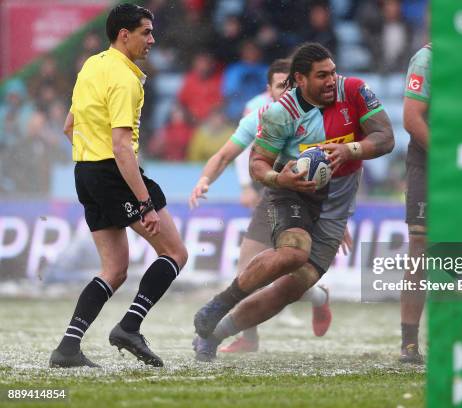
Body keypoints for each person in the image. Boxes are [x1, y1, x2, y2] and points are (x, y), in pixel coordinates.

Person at [192, 42, 394, 361]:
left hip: (335, 206)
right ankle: (220, 302)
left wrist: (350, 150)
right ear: (300, 79)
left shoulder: (354, 91)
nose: (331, 81)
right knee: (292, 253)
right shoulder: (280, 114)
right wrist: (279, 179)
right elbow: (257, 163)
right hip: (291, 191)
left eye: (333, 72)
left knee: (292, 288)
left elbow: (386, 138)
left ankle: (213, 335)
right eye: (322, 75)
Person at [49, 3, 188, 368]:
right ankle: (129, 326)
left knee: (114, 270)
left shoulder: (92, 66)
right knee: (175, 253)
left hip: (86, 172)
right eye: (146, 32)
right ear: (124, 35)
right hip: (114, 172)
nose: (152, 39)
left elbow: (69, 126)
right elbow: (122, 146)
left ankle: (67, 348)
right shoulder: (126, 79)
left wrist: (94, 165)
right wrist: (143, 203)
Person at [189, 58, 339, 354]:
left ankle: (319, 298)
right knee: (249, 269)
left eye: (290, 85)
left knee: (290, 277)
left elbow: (342, 166)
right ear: (268, 90)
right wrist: (204, 180)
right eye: (279, 86)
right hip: (274, 194)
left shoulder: (317, 114)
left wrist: (337, 215)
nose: (286, 91)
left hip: (314, 199)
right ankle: (247, 338)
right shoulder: (258, 115)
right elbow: (225, 155)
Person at [400, 42, 431, 364]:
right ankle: (409, 341)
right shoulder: (427, 58)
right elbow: (411, 118)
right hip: (429, 158)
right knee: (421, 243)